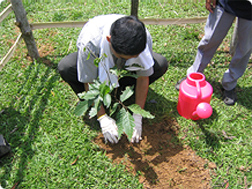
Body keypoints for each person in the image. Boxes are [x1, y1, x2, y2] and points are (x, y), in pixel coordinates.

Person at [58, 14, 168, 144]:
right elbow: (89, 81)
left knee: (160, 64)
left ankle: (121, 92)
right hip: (98, 70)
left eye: (134, 57)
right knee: (66, 67)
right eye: (124, 57)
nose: (130, 60)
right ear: (109, 40)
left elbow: (143, 77)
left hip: (125, 72)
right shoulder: (90, 43)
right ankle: (95, 103)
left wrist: (137, 117)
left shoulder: (142, 38)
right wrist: (102, 118)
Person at [175, 0, 252, 106]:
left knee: (244, 48)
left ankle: (230, 83)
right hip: (226, 3)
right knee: (210, 40)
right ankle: (194, 74)